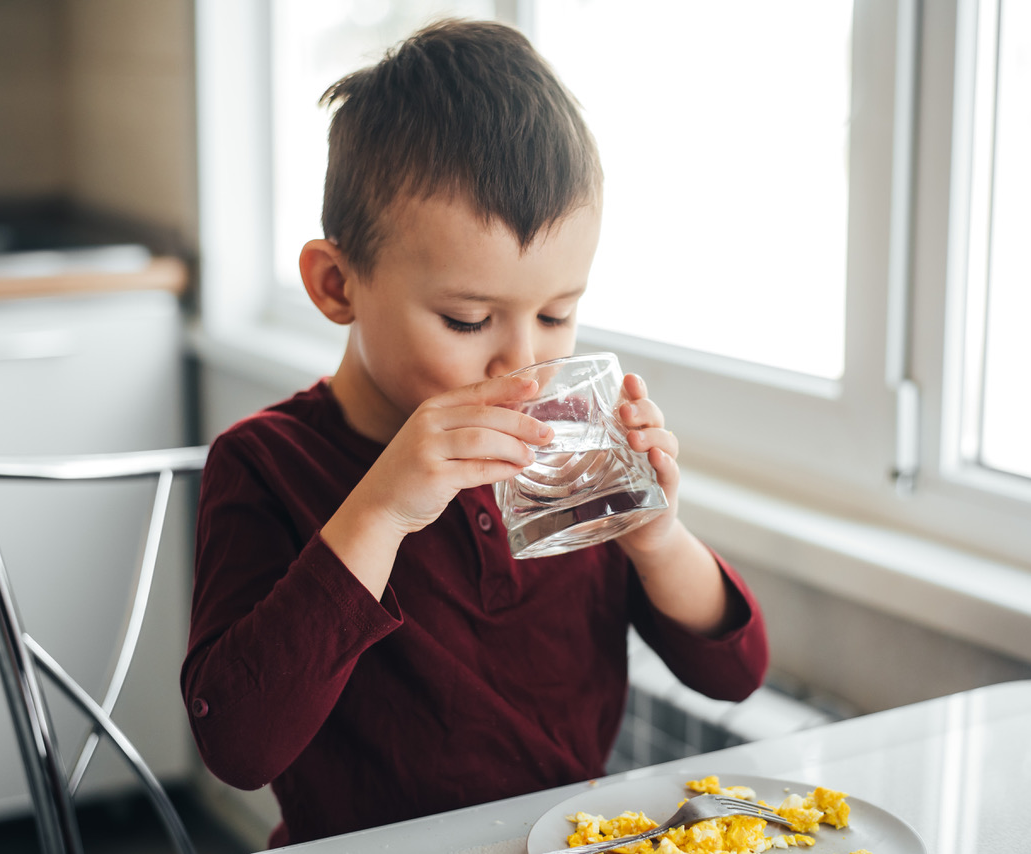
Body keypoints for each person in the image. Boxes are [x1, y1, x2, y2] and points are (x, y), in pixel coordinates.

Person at [181, 18, 768, 847]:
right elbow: (238, 746)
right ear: (337, 283)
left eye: (559, 314)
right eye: (467, 319)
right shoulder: (266, 464)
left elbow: (735, 673)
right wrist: (380, 512)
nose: (522, 367)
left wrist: (656, 536)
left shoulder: (568, 451)